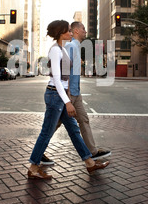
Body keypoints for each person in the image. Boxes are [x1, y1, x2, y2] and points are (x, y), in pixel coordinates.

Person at [27, 20, 110, 179]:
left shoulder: (62, 49)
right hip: (55, 96)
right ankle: (33, 168)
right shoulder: (55, 51)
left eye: (72, 32)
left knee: (74, 131)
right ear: (60, 33)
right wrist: (68, 102)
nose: (71, 34)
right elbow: (57, 80)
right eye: (68, 31)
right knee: (46, 133)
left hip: (61, 95)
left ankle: (90, 164)